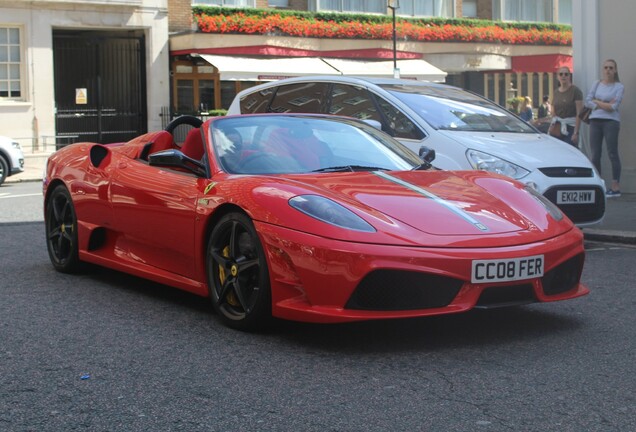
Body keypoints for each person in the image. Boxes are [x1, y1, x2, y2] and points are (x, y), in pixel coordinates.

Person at [585, 59, 625, 197]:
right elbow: (588, 101)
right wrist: (603, 103)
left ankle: (615, 187)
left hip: (611, 122)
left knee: (612, 152)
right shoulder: (596, 84)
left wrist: (596, 102)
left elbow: (613, 107)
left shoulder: (619, 87)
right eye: (606, 67)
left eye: (611, 68)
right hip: (595, 122)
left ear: (615, 70)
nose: (608, 70)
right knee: (595, 154)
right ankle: (599, 185)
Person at [550, 66, 583, 146]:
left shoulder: (575, 91)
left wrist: (576, 132)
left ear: (569, 76)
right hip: (558, 127)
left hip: (571, 127)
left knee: (570, 150)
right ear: (557, 77)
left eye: (566, 74)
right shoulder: (556, 92)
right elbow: (553, 112)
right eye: (561, 74)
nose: (563, 76)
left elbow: (579, 113)